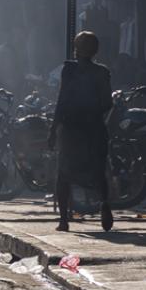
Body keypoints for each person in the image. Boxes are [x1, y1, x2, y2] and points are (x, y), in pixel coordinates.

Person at [48, 31, 113, 232]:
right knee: (99, 171)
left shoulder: (69, 70)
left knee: (63, 174)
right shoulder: (102, 72)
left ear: (78, 50)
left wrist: (53, 129)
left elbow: (62, 100)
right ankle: (104, 203)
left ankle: (63, 221)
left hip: (72, 131)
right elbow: (107, 103)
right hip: (95, 128)